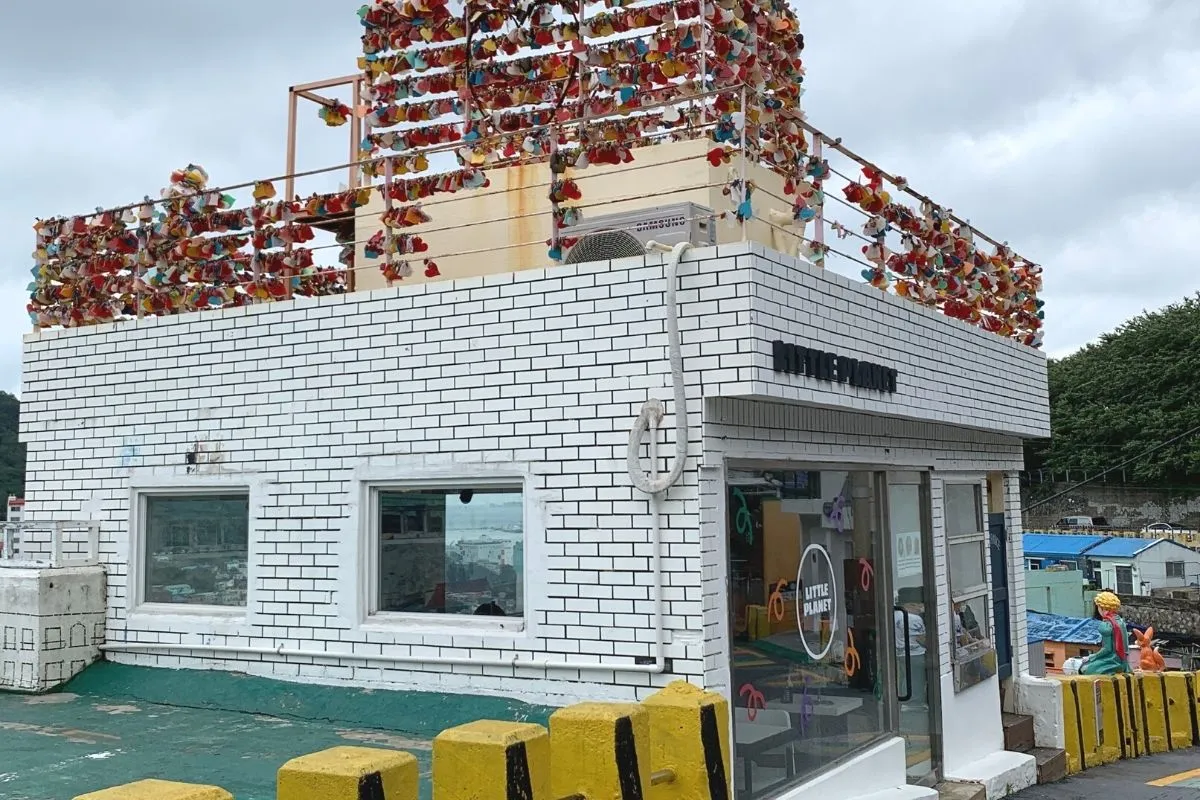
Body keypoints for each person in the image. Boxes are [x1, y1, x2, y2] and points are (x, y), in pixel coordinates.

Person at [1080, 591, 1131, 675]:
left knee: (1085, 669)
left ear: (1102, 608)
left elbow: (1107, 649)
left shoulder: (1106, 625)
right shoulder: (1121, 622)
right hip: (1124, 662)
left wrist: (1091, 657)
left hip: (1112, 661)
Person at [894, 601, 927, 707]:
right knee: (916, 679)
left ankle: (904, 701)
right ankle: (913, 703)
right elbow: (921, 638)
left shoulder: (894, 615)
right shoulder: (915, 619)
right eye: (918, 605)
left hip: (900, 653)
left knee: (905, 677)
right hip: (915, 654)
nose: (920, 609)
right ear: (910, 604)